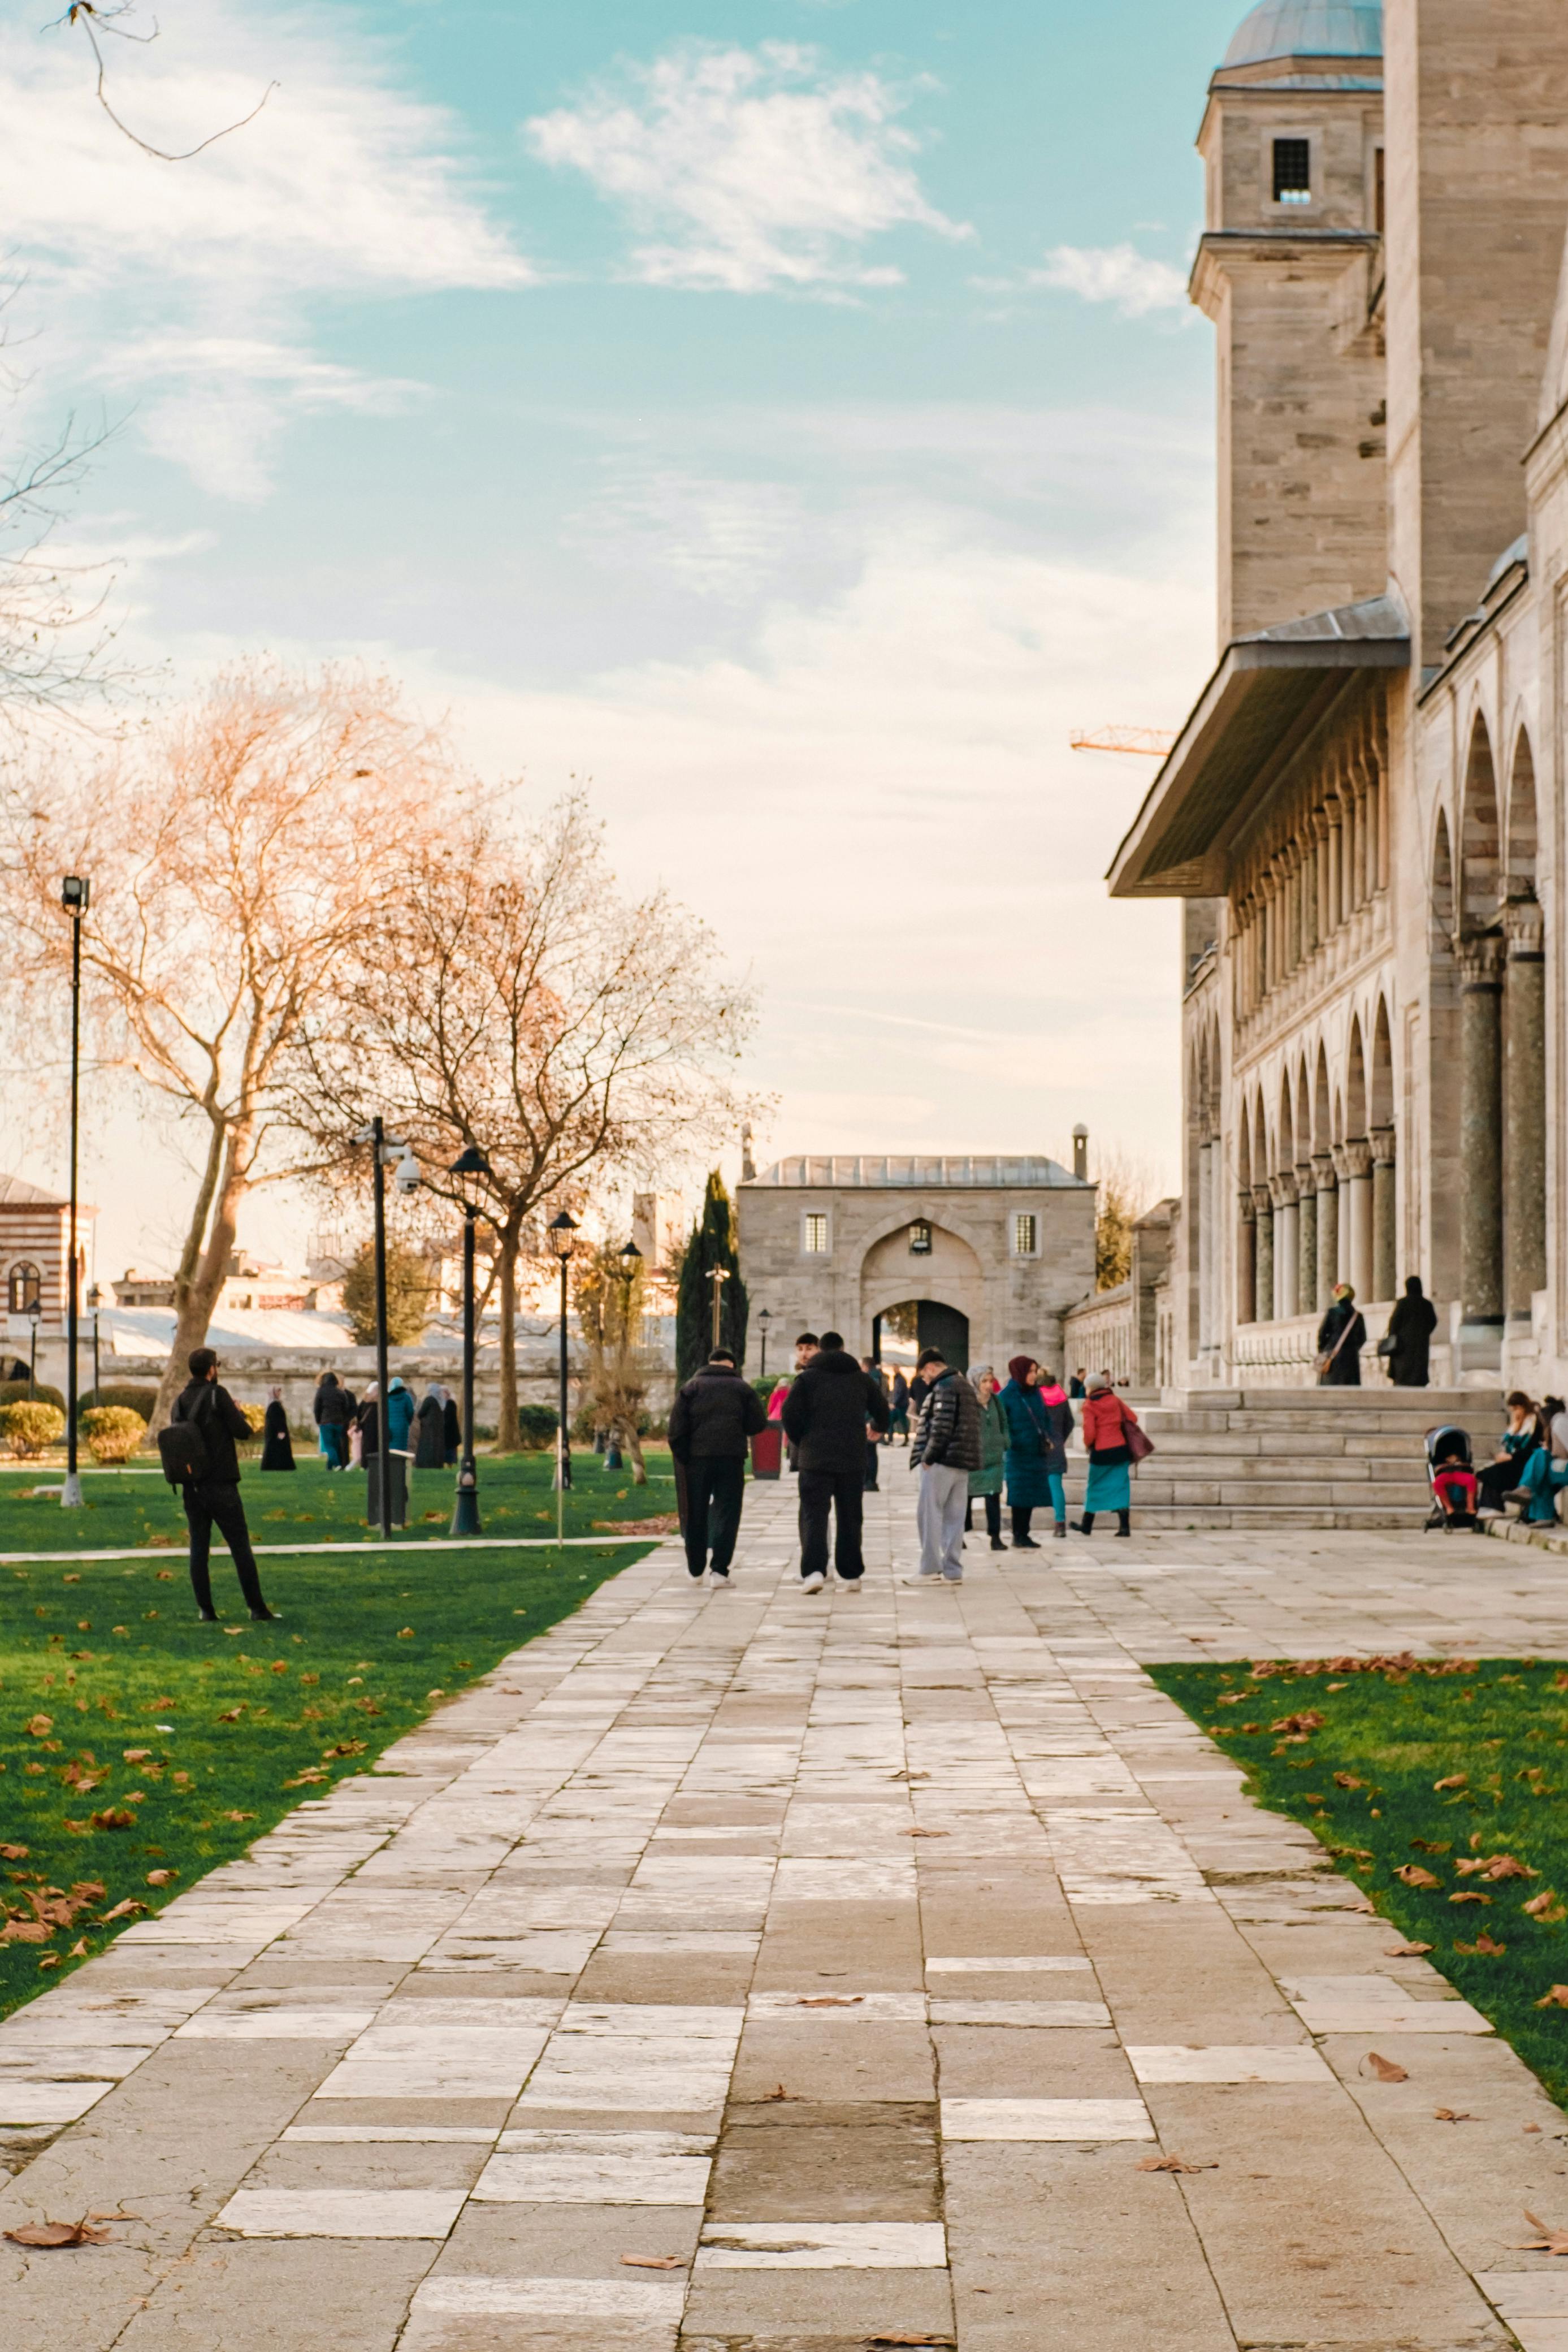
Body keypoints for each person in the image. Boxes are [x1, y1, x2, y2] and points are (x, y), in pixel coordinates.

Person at [171, 1347, 277, 1623]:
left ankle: (206, 1610)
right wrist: (239, 1412)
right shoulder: (218, 1395)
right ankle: (256, 1608)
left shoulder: (179, 1402)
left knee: (199, 1548)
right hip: (221, 1483)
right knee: (240, 1546)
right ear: (211, 1369)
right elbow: (243, 1432)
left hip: (192, 1486)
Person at [782, 1331, 890, 1591]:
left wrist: (802, 1439)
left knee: (814, 1515)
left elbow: (789, 1414)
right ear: (843, 1349)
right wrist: (877, 1427)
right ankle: (851, 1575)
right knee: (851, 1515)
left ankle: (815, 1572)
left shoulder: (807, 1379)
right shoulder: (861, 1379)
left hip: (815, 1458)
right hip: (852, 1457)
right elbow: (883, 1410)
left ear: (821, 1349)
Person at [668, 1345, 768, 1585]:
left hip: (697, 1460)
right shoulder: (742, 1388)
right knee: (727, 1513)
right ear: (732, 1366)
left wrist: (684, 1456)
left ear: (710, 1363)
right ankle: (719, 1571)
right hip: (731, 1458)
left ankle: (695, 1569)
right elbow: (758, 1424)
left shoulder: (691, 1388)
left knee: (695, 1513)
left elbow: (676, 1429)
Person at [904, 1346, 981, 1584]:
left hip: (942, 1461)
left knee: (929, 1515)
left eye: (924, 1376)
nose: (925, 1381)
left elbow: (941, 1427)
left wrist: (928, 1457)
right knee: (954, 1519)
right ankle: (953, 1570)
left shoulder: (944, 1387)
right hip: (962, 1462)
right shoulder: (965, 1386)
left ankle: (929, 1569)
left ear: (930, 1368)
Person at [999, 1357, 1066, 1546]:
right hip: (1018, 1454)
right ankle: (1018, 1535)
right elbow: (1003, 1425)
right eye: (1030, 1372)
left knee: (1031, 1496)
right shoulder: (1007, 1396)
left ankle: (1025, 1534)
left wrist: (1050, 1436)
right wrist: (1013, 1441)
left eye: (1035, 1371)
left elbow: (1045, 1418)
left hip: (1036, 1453)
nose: (1034, 1375)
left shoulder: (1035, 1393)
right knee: (1019, 1495)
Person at [1074, 1370, 1140, 1538]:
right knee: (1121, 1486)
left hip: (1101, 1451)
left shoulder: (1089, 1405)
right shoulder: (1115, 1400)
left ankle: (1087, 1525)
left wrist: (1088, 1444)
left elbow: (1090, 1432)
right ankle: (1124, 1527)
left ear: (1090, 1388)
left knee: (1095, 1486)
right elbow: (1132, 1417)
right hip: (1120, 1449)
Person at [1477, 1392, 1548, 1515]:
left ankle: (1494, 1506)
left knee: (1495, 1472)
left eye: (1516, 1409)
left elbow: (1531, 1447)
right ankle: (1489, 1505)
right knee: (1489, 1471)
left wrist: (1511, 1456)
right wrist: (1515, 1426)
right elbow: (1506, 1442)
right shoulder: (1518, 1424)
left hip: (1525, 1461)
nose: (1515, 1413)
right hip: (1513, 1460)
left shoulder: (1534, 1423)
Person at [965, 1365, 1008, 1551]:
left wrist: (1005, 1442)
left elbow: (1004, 1423)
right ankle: (960, 1534)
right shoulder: (967, 1403)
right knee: (965, 1499)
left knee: (993, 1497)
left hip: (994, 1459)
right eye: (984, 1381)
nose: (988, 1385)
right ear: (975, 1382)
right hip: (973, 1459)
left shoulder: (996, 1402)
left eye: (991, 1381)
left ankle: (995, 1536)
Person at [1385, 1274, 1437, 1387]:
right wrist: (1424, 1333)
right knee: (1418, 1372)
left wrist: (1393, 1337)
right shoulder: (1427, 1304)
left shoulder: (1403, 1303)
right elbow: (1433, 1322)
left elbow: (1394, 1324)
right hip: (1420, 1345)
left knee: (1403, 1374)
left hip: (1402, 1346)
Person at [1316, 1283, 1366, 1385]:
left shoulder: (1332, 1313)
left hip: (1332, 1355)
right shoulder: (1358, 1315)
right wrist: (1353, 1349)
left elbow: (1322, 1334)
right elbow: (1363, 1338)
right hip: (1351, 1357)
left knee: (1330, 1388)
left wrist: (1324, 1349)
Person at [783, 1334, 818, 1471]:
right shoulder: (802, 1376)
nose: (804, 1354)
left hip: (813, 1447)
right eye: (800, 1349)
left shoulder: (812, 1377)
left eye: (809, 1349)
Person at [313, 1370, 350, 1471]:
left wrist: (318, 1420)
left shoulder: (321, 1391)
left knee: (328, 1445)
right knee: (335, 1444)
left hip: (326, 1422)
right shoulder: (340, 1392)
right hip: (338, 1422)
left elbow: (317, 1407)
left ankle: (337, 1463)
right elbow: (346, 1407)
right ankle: (329, 1467)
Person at [860, 1358, 885, 1490]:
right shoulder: (881, 1377)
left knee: (868, 1452)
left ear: (865, 1367)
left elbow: (870, 1401)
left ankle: (869, 1481)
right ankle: (871, 1481)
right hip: (875, 1419)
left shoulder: (871, 1379)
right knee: (871, 1452)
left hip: (870, 1420)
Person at [259, 1386, 294, 1472]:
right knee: (276, 1448)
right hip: (276, 1431)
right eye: (277, 1392)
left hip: (274, 1431)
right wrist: (281, 1430)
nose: (279, 1394)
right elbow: (277, 1419)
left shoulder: (275, 1404)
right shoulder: (274, 1405)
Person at [414, 1385, 445, 1469]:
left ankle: (425, 1464)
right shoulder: (440, 1401)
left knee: (427, 1447)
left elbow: (421, 1413)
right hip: (437, 1428)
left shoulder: (429, 1400)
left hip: (428, 1429)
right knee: (435, 1447)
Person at [888, 1369, 910, 1445]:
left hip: (900, 1405)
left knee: (902, 1422)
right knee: (893, 1421)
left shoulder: (900, 1380)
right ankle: (891, 1439)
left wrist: (894, 1403)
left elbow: (900, 1393)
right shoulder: (899, 1380)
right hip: (900, 1405)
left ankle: (892, 1440)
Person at [442, 1386, 461, 1465]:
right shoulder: (446, 1404)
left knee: (450, 1450)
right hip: (447, 1432)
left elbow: (449, 1418)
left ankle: (450, 1463)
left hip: (450, 1432)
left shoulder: (450, 1403)